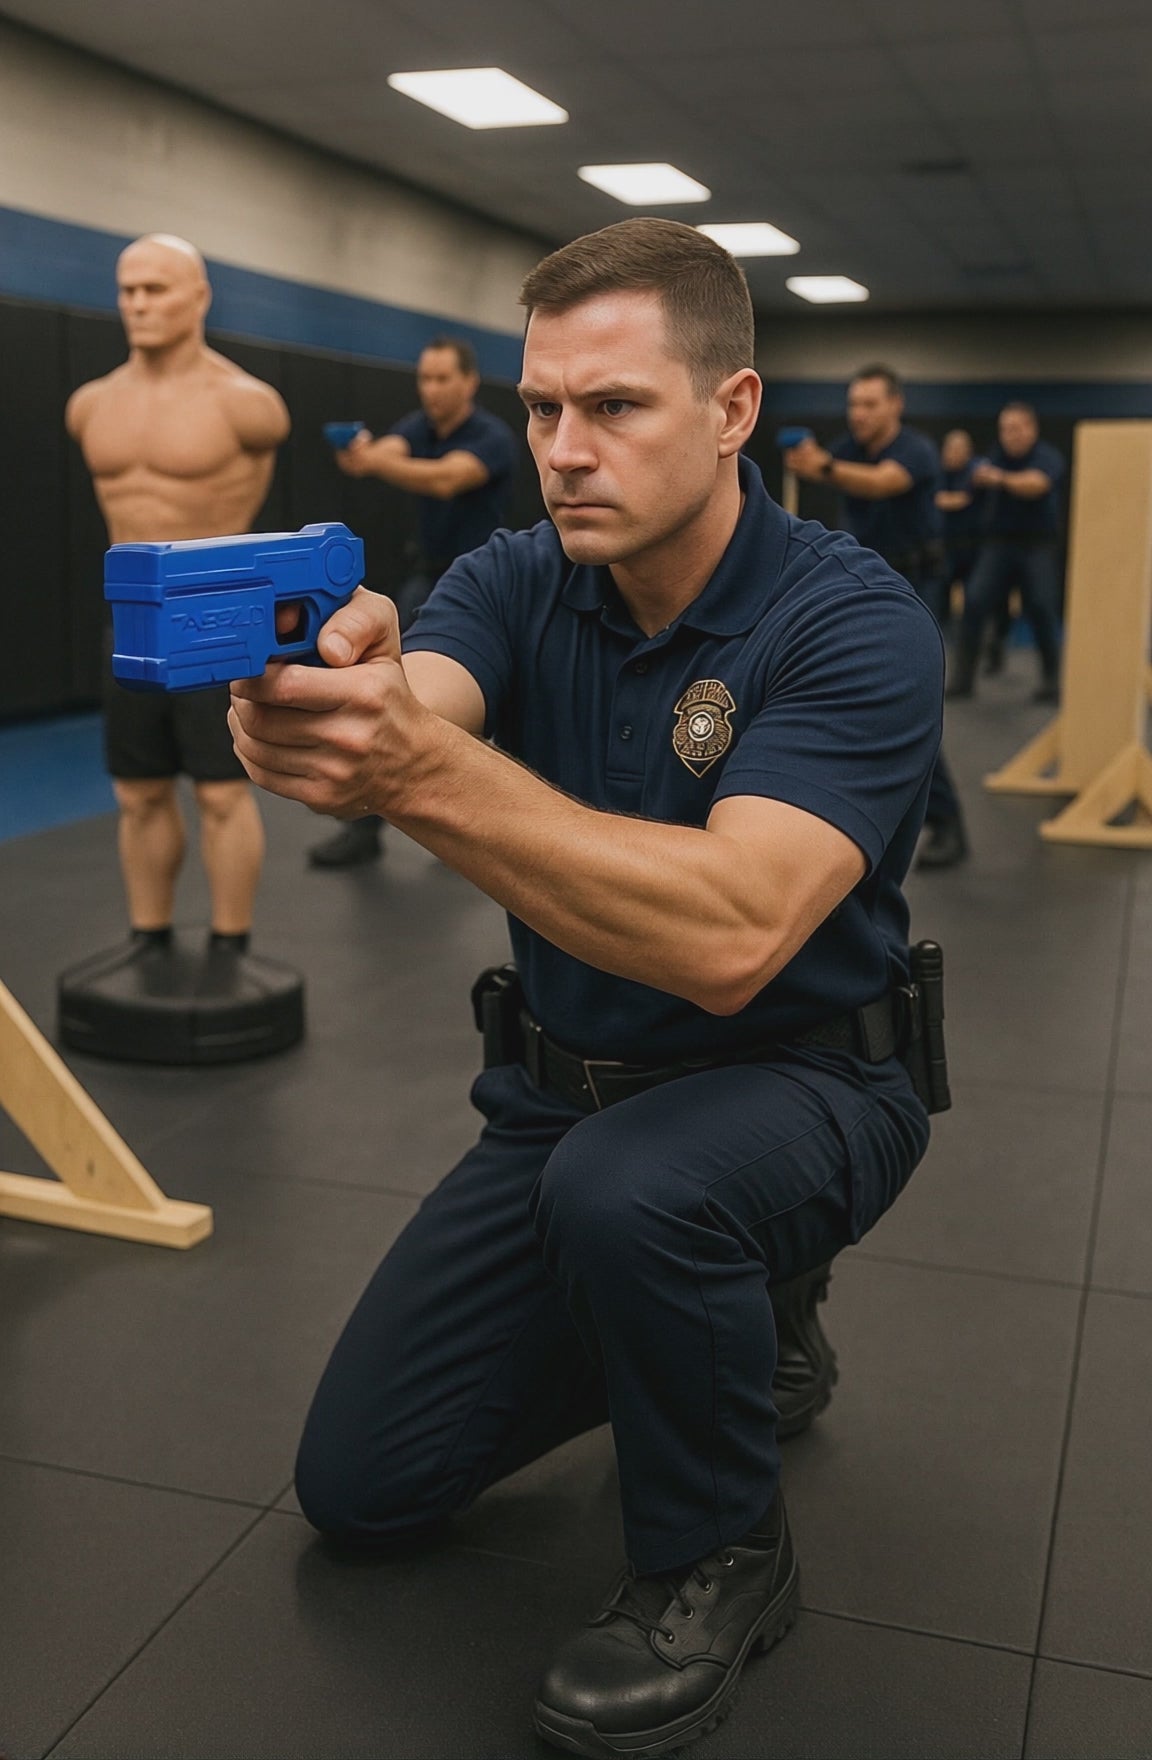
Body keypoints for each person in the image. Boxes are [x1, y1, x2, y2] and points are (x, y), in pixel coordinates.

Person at [230, 218, 942, 1759]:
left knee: (641, 1193)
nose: (562, 450)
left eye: (612, 408)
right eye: (542, 407)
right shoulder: (519, 574)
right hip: (559, 1108)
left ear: (734, 409)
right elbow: (420, 697)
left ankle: (723, 1557)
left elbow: (735, 934)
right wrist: (347, 701)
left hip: (809, 1081)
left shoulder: (850, 621)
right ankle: (738, 1315)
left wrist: (420, 774)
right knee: (364, 1489)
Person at [66, 233, 289, 958]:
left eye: (155, 288)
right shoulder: (90, 405)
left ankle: (231, 944)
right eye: (127, 288)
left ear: (199, 296)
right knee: (139, 792)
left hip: (215, 621)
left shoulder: (247, 405)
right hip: (130, 621)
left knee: (221, 794)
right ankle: (149, 934)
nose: (136, 303)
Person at [307, 336, 519, 867]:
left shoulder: (491, 436)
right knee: (382, 684)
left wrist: (373, 462)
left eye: (443, 378)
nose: (432, 389)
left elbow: (449, 479)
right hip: (428, 577)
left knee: (480, 709)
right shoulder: (417, 428)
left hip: (488, 586)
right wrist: (367, 454)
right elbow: (391, 451)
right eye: (425, 378)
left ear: (468, 382)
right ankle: (364, 826)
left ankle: (471, 823)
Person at [784, 366, 969, 871]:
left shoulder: (914, 450)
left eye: (869, 404)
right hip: (864, 585)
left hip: (916, 582)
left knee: (906, 702)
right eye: (853, 405)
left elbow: (883, 484)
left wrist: (820, 467)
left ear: (895, 405)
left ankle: (947, 821)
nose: (859, 414)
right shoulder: (848, 448)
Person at [948, 403, 1066, 703]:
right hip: (998, 545)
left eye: (1016, 428)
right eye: (1005, 429)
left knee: (1041, 607)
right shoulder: (993, 458)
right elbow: (968, 493)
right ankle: (963, 679)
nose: (1010, 435)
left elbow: (1036, 484)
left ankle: (1052, 680)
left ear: (1031, 429)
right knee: (973, 602)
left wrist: (999, 479)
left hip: (1036, 545)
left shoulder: (1046, 457)